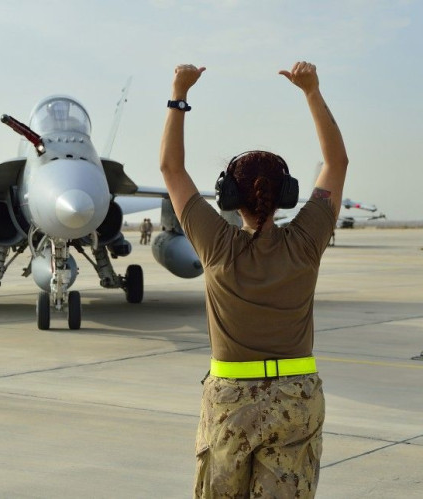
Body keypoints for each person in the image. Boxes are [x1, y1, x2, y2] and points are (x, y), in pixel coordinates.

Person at [160, 61, 348, 497]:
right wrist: (312, 92)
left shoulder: (217, 246)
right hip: (296, 401)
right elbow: (336, 161)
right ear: (286, 194)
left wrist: (179, 92)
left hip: (230, 402)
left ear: (229, 197)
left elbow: (172, 169)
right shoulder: (305, 242)